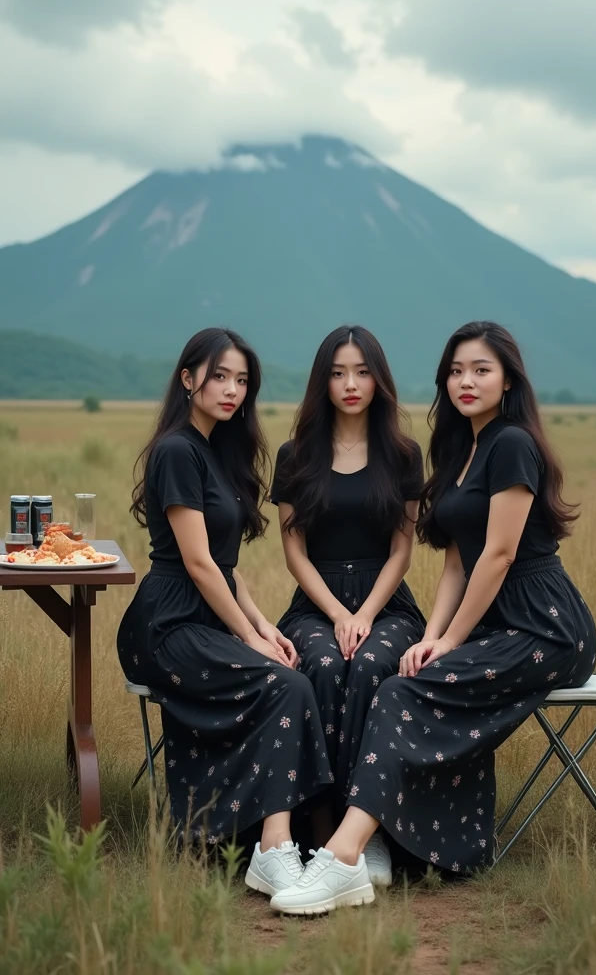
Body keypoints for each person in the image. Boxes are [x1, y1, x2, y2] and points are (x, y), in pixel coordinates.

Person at [270, 320, 596, 915]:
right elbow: (455, 563)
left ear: (509, 380)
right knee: (403, 681)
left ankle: (346, 856)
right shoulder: (462, 449)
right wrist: (434, 637)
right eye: (456, 370)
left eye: (481, 370)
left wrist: (449, 641)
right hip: (498, 623)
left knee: (398, 691)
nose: (466, 381)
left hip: (544, 624)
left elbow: (496, 558)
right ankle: (357, 848)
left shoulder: (513, 444)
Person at [117, 327, 332, 897]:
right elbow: (197, 563)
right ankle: (273, 848)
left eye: (241, 380)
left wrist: (265, 626)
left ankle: (290, 835)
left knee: (299, 669)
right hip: (168, 624)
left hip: (209, 615)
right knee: (284, 685)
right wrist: (252, 638)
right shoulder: (175, 450)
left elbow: (226, 567)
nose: (231, 389)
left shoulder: (215, 452)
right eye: (219, 376)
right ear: (188, 379)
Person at [271, 325, 425, 886]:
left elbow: (403, 549)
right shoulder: (295, 455)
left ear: (378, 379)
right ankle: (321, 830)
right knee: (326, 664)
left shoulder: (404, 454)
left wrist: (365, 614)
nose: (351, 383)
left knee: (370, 667)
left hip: (388, 602)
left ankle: (372, 837)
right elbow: (293, 550)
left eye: (361, 371)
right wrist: (338, 612)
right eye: (338, 373)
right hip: (317, 600)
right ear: (322, 381)